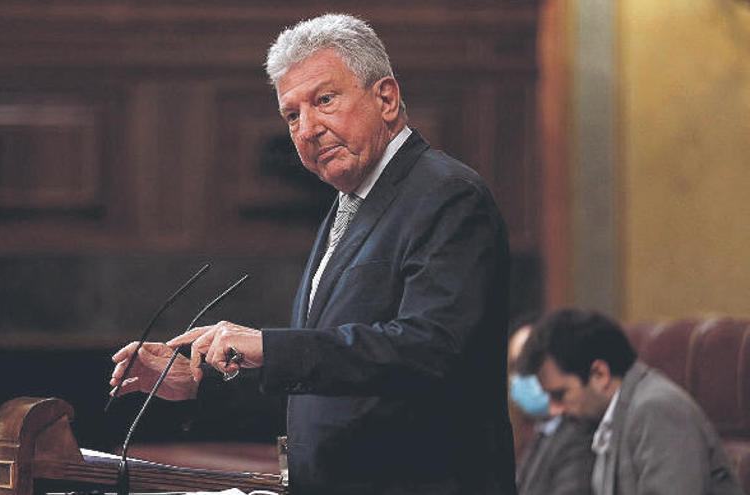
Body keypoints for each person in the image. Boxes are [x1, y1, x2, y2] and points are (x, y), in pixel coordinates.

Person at [110, 13, 515, 494]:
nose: (307, 128)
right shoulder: (350, 204)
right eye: (292, 115)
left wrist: (271, 346)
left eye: (324, 100)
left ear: (385, 98)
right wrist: (201, 381)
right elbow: (325, 381)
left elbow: (431, 350)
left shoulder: (446, 194)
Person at [521, 309, 742, 495]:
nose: (554, 409)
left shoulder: (656, 409)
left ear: (599, 374)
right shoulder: (613, 416)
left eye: (560, 394)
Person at [508, 323, 595, 495]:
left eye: (530, 363)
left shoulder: (578, 433)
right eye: (515, 365)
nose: (522, 374)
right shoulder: (531, 432)